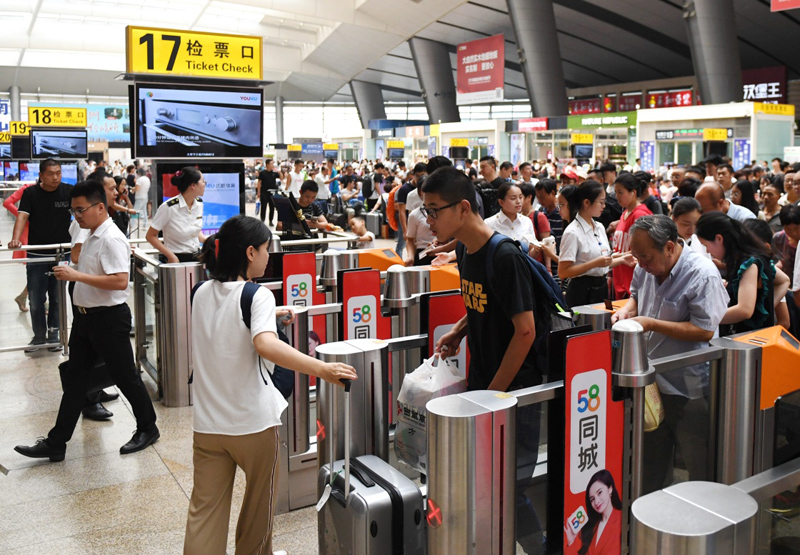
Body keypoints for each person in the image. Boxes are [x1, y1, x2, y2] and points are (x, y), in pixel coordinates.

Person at [183, 214, 357, 554]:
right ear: (250, 252)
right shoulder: (257, 295)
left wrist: (270, 315)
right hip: (253, 425)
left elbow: (225, 321)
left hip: (208, 426)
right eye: (265, 249)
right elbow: (264, 344)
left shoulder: (199, 292)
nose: (268, 256)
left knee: (205, 510)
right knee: (258, 510)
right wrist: (322, 369)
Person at [425, 166, 549, 553]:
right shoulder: (464, 249)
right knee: (485, 478)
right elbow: (483, 303)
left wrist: (491, 398)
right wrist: (459, 331)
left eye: (434, 210)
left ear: (463, 208)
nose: (428, 220)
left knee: (510, 485)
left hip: (513, 391)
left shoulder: (505, 256)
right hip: (485, 383)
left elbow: (525, 331)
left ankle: (541, 547)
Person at [14, 180, 160, 462]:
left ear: (100, 207)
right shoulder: (91, 235)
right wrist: (73, 271)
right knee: (75, 381)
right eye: (74, 211)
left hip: (108, 319)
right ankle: (57, 442)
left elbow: (120, 281)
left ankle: (148, 427)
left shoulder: (111, 238)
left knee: (125, 377)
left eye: (81, 210)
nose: (77, 216)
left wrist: (76, 275)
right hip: (85, 319)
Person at [612, 215, 728, 494]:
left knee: (696, 453)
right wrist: (627, 310)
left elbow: (704, 330)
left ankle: (703, 508)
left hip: (687, 383)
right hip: (651, 379)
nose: (641, 264)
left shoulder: (702, 274)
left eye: (646, 257)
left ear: (669, 247)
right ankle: (652, 508)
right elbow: (636, 295)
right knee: (651, 455)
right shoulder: (646, 267)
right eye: (637, 257)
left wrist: (651, 323)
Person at [8, 159, 72, 352]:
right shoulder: (31, 193)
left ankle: (54, 335)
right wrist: (15, 239)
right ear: (41, 175)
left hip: (62, 253)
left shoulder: (68, 191)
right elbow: (22, 216)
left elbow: (81, 214)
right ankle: (38, 337)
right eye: (51, 174)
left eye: (58, 173)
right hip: (37, 254)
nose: (55, 177)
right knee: (36, 298)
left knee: (57, 297)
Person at [696, 212, 789, 335]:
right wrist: (763, 306)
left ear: (719, 239)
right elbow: (784, 280)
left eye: (706, 245)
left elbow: (744, 310)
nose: (707, 251)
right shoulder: (753, 257)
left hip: (747, 340)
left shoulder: (748, 264)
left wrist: (704, 319)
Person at [559, 181, 633, 307]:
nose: (604, 206)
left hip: (601, 288)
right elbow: (563, 272)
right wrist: (594, 263)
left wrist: (621, 259)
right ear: (587, 202)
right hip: (581, 292)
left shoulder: (599, 227)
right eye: (601, 202)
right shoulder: (572, 232)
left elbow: (603, 262)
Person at [146, 167, 207, 263]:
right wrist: (171, 256)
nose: (205, 184)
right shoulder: (168, 207)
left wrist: (208, 240)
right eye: (203, 181)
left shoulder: (199, 204)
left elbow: (193, 231)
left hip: (197, 257)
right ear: (193, 185)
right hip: (176, 260)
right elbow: (150, 236)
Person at [612, 172, 652, 299]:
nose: (617, 196)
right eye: (616, 192)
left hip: (632, 282)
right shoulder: (625, 213)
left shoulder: (640, 215)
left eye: (621, 192)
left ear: (633, 192)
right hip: (620, 279)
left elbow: (645, 249)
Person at [564, 469, 622, 555]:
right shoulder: (593, 528)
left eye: (599, 492)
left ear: (610, 489)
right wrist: (571, 541)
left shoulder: (622, 519)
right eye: (592, 499)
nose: (596, 501)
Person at [4, 180, 36, 311]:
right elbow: (7, 202)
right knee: (37, 269)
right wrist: (23, 216)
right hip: (28, 232)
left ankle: (24, 297)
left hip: (42, 231)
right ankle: (36, 301)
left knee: (42, 269)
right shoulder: (28, 188)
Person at [484, 183, 539, 256]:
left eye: (520, 197)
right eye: (513, 198)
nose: (518, 201)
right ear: (501, 202)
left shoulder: (526, 221)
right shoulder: (489, 223)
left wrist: (537, 249)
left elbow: (529, 255)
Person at [256, 158, 280, 226]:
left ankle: (271, 220)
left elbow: (281, 177)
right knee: (263, 207)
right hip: (264, 192)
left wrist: (279, 171)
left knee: (272, 207)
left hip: (272, 193)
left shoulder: (274, 173)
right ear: (267, 164)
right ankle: (262, 220)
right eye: (271, 163)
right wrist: (258, 192)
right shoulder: (262, 173)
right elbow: (259, 183)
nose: (273, 165)